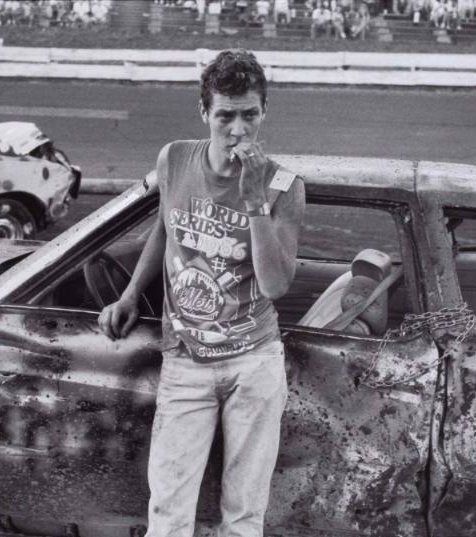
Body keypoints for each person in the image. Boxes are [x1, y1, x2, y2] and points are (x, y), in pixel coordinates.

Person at [98, 49, 305, 537]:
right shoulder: (174, 158)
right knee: (168, 510)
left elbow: (276, 285)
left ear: (264, 112)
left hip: (254, 363)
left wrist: (254, 202)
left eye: (249, 115)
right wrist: (131, 293)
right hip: (186, 358)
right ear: (204, 112)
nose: (238, 130)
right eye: (225, 116)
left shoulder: (284, 186)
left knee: (244, 515)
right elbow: (164, 227)